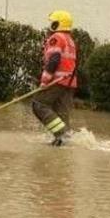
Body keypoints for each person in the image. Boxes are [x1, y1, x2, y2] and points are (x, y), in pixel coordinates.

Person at [31, 10, 79, 146]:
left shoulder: (57, 37)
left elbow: (54, 59)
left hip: (57, 80)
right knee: (61, 112)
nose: (50, 25)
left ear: (57, 24)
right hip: (70, 82)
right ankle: (64, 141)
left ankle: (61, 133)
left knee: (38, 104)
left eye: (52, 22)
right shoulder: (70, 40)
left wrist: (45, 80)